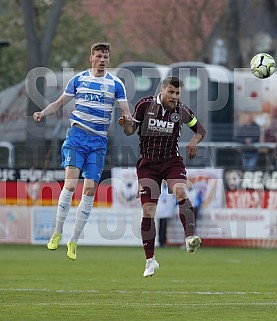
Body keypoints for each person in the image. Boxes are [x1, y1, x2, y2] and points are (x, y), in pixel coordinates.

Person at [33, 42, 132, 260]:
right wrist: (42, 113)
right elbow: (59, 104)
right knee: (70, 184)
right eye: (99, 56)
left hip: (98, 142)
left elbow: (126, 113)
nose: (102, 59)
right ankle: (57, 232)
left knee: (89, 191)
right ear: (91, 58)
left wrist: (127, 121)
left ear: (109, 59)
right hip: (77, 137)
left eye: (106, 56)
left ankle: (74, 240)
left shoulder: (116, 84)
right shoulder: (79, 79)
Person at [118, 76, 206, 277]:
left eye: (177, 93)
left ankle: (189, 237)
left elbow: (200, 129)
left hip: (171, 161)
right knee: (148, 210)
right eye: (171, 92)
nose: (174, 97)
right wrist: (125, 124)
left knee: (180, 191)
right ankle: (150, 261)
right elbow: (131, 130)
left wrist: (193, 141)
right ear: (162, 90)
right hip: (148, 164)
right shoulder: (144, 105)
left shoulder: (181, 111)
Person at [156, 180, 178, 247]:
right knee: (160, 226)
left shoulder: (170, 189)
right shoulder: (159, 188)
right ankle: (160, 241)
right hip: (160, 210)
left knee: (164, 226)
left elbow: (174, 200)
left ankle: (163, 241)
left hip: (167, 211)